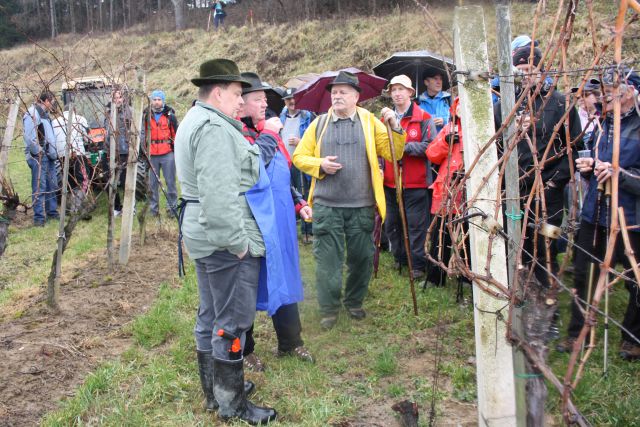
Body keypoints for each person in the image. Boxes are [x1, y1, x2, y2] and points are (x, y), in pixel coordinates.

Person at [173, 59, 277, 424]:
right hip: (223, 239)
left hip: (202, 233)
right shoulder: (215, 128)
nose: (240, 101)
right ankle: (231, 405)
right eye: (236, 93)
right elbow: (218, 196)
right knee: (231, 320)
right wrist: (238, 244)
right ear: (218, 92)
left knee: (210, 314)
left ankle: (216, 392)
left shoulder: (195, 119)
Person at [292, 71, 406, 329]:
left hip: (361, 206)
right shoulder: (319, 124)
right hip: (326, 205)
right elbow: (299, 157)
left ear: (357, 96)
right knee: (327, 260)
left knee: (361, 258)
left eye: (343, 92)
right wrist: (319, 164)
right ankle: (329, 308)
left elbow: (393, 152)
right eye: (334, 92)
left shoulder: (369, 121)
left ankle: (354, 302)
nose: (337, 96)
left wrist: (395, 128)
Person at [556, 67, 640, 361]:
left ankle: (633, 339)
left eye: (609, 91)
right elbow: (598, 167)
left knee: (636, 280)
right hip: (596, 212)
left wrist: (620, 175)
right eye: (601, 92)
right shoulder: (604, 123)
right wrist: (591, 167)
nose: (601, 98)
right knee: (584, 273)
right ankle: (579, 333)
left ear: (629, 90)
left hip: (633, 218)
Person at [237, 72, 314, 371]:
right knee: (248, 285)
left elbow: (284, 174)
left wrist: (299, 202)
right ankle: (246, 350)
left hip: (281, 224)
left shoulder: (269, 131)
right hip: (256, 225)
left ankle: (291, 343)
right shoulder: (241, 136)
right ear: (240, 104)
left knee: (285, 278)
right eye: (257, 99)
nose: (264, 104)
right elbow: (255, 167)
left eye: (264, 99)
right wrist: (268, 134)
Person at [494, 45, 582, 291]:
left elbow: (575, 147)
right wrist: (511, 134)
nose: (525, 75)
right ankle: (517, 300)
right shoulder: (505, 105)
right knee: (515, 247)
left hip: (549, 196)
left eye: (530, 70)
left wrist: (555, 181)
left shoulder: (561, 103)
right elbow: (492, 144)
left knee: (547, 249)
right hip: (514, 194)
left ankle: (547, 307)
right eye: (519, 70)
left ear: (541, 71)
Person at [381, 75, 436, 278]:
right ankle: (400, 259)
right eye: (393, 90)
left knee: (416, 225)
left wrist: (404, 148)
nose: (397, 93)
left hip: (416, 182)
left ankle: (418, 265)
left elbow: (431, 145)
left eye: (401, 89)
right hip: (390, 182)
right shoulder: (383, 120)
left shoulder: (423, 117)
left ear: (410, 92)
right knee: (392, 224)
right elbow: (380, 148)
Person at [425, 97, 465, 288]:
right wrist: (446, 143)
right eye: (459, 106)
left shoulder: (479, 131)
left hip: (467, 191)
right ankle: (436, 276)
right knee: (440, 234)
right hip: (445, 189)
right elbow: (431, 154)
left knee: (468, 234)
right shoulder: (449, 129)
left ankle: (466, 276)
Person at [280, 87, 316, 240]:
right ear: (285, 102)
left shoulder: (308, 116)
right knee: (287, 194)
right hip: (284, 161)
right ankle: (291, 229)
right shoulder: (281, 118)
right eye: (288, 99)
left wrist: (301, 142)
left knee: (303, 194)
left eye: (294, 98)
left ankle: (308, 231)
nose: (292, 102)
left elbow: (316, 140)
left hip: (301, 161)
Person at [23, 90, 59, 226]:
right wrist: (39, 152)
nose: (53, 105)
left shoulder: (45, 115)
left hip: (49, 156)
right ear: (46, 101)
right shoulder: (32, 113)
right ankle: (39, 218)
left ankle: (52, 213)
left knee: (52, 185)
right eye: (53, 102)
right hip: (38, 156)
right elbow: (30, 138)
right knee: (40, 186)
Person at [141, 89, 179, 217]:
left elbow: (176, 135)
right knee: (152, 185)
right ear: (151, 101)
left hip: (167, 154)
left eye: (159, 100)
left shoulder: (170, 116)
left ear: (163, 101)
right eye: (154, 99)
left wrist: (176, 152)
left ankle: (172, 209)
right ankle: (154, 211)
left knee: (170, 182)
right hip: (152, 154)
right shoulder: (145, 116)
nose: (157, 102)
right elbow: (143, 134)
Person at [52, 105, 91, 216]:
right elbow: (87, 138)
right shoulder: (80, 119)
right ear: (74, 110)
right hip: (77, 154)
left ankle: (68, 207)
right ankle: (77, 207)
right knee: (83, 181)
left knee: (68, 182)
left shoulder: (54, 122)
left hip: (62, 156)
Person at [105, 89, 133, 216]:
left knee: (128, 181)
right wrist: (106, 149)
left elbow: (136, 131)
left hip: (126, 151)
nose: (117, 100)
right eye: (115, 98)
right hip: (112, 152)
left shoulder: (130, 112)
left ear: (124, 98)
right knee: (111, 181)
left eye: (119, 97)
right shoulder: (109, 114)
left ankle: (130, 207)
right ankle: (116, 207)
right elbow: (106, 133)